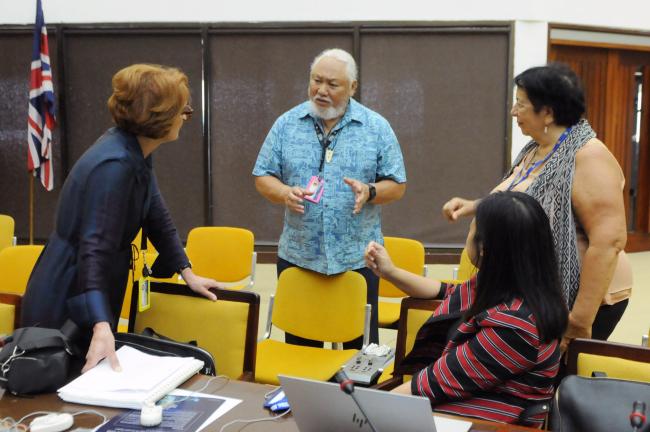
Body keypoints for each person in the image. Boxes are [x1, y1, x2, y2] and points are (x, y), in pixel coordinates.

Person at [21, 64, 223, 373]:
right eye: (185, 111)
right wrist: (102, 324)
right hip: (70, 291)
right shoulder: (115, 165)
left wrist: (186, 271)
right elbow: (94, 249)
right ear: (160, 118)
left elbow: (155, 212)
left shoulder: (134, 147)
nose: (186, 117)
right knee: (64, 388)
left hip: (92, 285)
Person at [442, 63, 631, 351]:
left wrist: (578, 322)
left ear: (548, 112)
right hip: (534, 292)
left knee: (551, 381)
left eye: (520, 104)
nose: (513, 112)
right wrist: (474, 206)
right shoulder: (535, 149)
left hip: (581, 301)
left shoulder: (589, 156)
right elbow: (525, 200)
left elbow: (608, 242)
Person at [365, 191, 568, 426]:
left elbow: (435, 382)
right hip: (464, 408)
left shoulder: (516, 326)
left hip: (489, 422)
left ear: (484, 248)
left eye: (471, 230)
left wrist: (366, 413)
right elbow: (448, 292)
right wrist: (390, 272)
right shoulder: (515, 287)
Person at [253, 48, 406, 348]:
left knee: (357, 360)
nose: (321, 90)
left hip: (357, 260)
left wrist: (370, 191)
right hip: (299, 259)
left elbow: (397, 184)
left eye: (332, 84)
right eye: (316, 81)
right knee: (301, 356)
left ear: (352, 87)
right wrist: (285, 192)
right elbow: (262, 176)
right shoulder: (286, 124)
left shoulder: (376, 127)